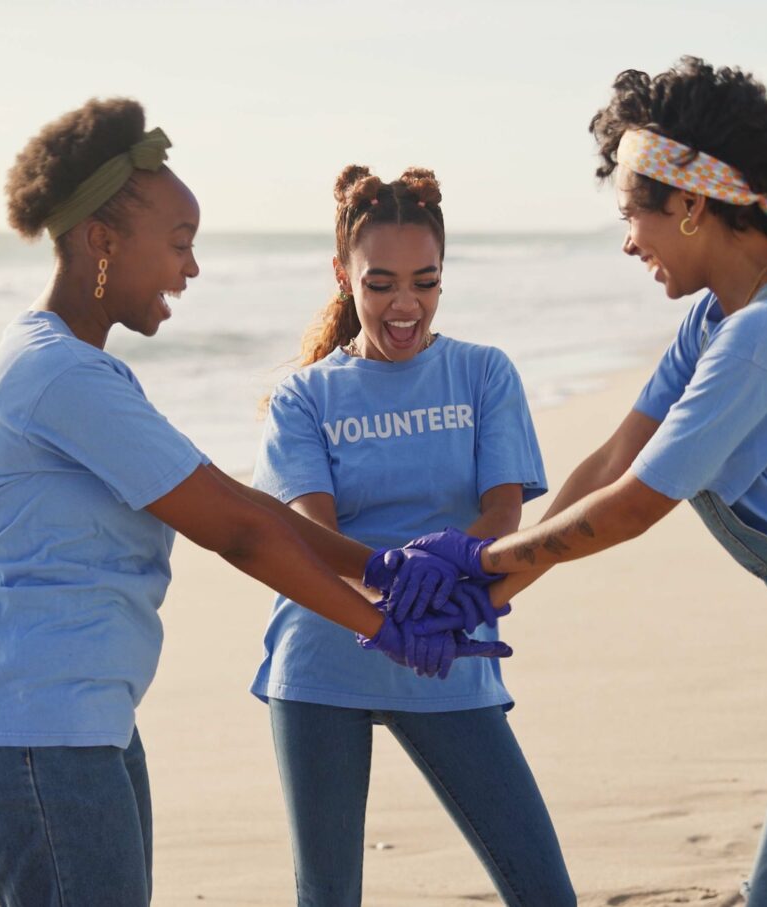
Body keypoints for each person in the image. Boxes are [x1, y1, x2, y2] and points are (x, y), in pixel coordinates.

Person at [386, 59, 767, 906]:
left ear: (691, 206)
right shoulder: (730, 313)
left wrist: (469, 573)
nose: (628, 240)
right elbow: (611, 463)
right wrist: (483, 588)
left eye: (633, 214)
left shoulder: (764, 340)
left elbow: (632, 509)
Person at [0, 98, 505, 907]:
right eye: (180, 244)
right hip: (34, 724)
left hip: (77, 716)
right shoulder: (62, 376)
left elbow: (246, 510)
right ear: (102, 241)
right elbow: (234, 531)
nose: (190, 269)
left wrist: (388, 568)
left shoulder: (74, 367)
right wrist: (387, 623)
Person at [250, 166, 575, 906]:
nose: (405, 304)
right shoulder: (305, 395)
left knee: (546, 893)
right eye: (381, 283)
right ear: (342, 275)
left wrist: (434, 586)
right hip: (324, 655)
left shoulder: (483, 373)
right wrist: (393, 578)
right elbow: (309, 536)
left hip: (446, 649)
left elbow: (501, 517)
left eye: (425, 282)